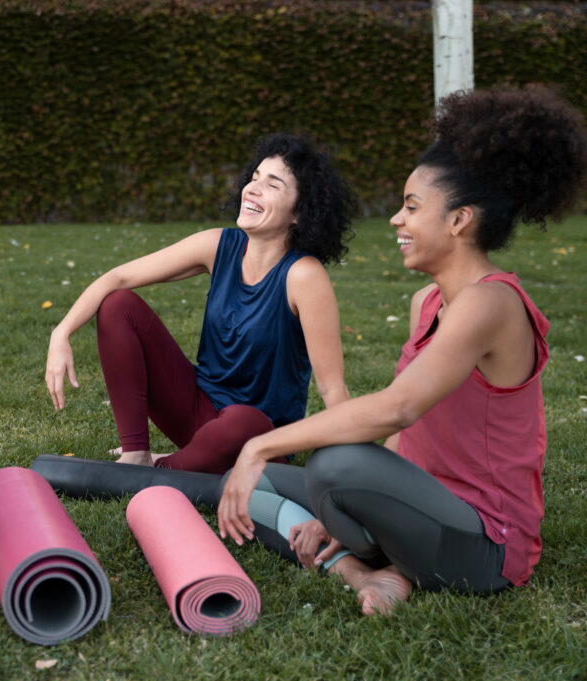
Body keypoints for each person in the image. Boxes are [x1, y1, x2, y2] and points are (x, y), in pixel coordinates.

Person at [217, 85, 587, 615]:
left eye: (411, 207)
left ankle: (381, 559)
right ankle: (361, 572)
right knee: (241, 482)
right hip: (420, 507)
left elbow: (397, 407)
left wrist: (263, 446)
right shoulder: (427, 302)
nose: (396, 219)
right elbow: (408, 433)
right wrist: (335, 509)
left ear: (459, 220)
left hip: (485, 545)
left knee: (331, 464)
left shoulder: (492, 304)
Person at [45, 134, 356, 474]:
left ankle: (164, 470)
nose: (252, 189)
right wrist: (61, 333)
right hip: (196, 412)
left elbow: (331, 387)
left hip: (256, 438)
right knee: (118, 305)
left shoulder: (303, 276)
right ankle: (136, 455)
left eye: (272, 185)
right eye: (253, 179)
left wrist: (349, 472)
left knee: (243, 420)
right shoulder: (219, 244)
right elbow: (117, 279)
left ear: (300, 211)